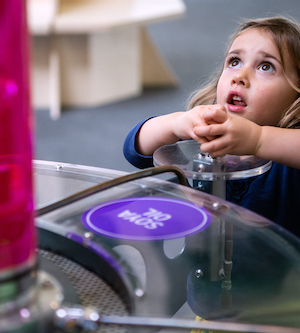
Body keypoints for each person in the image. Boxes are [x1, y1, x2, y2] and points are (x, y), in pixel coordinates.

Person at [123, 16, 300, 237]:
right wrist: (176, 124)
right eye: (234, 62)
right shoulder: (209, 129)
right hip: (204, 263)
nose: (240, 76)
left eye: (266, 66)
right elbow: (135, 150)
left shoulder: (289, 156)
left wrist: (257, 139)